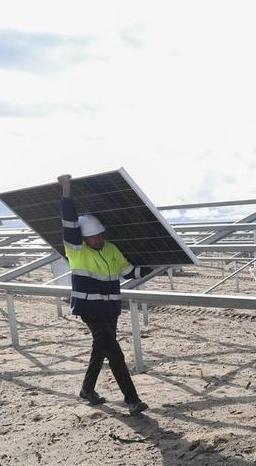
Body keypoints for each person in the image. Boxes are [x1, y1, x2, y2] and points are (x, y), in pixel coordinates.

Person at [57, 174, 152, 416]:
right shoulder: (76, 250)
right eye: (93, 237)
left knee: (101, 349)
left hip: (110, 309)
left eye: (100, 235)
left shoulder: (111, 249)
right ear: (84, 238)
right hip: (90, 309)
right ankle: (132, 400)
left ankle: (87, 389)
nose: (98, 239)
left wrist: (151, 266)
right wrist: (66, 192)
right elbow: (68, 223)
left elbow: (128, 270)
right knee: (115, 352)